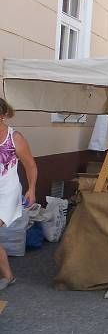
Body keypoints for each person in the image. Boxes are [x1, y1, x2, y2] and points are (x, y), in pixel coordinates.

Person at [0, 99, 37, 290]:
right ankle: (8, 276)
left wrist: (31, 189)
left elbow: (30, 165)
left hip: (7, 192)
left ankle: (7, 276)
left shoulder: (15, 137)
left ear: (3, 115)